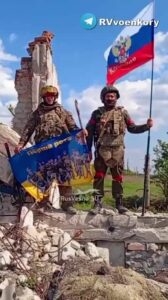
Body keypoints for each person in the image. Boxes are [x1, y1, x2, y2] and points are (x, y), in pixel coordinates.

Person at [86, 85, 153, 214]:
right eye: (108, 96)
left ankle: (119, 203)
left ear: (116, 98)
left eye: (113, 96)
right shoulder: (96, 114)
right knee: (99, 177)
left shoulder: (123, 113)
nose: (110, 98)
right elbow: (89, 132)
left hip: (118, 151)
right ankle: (97, 203)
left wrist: (146, 126)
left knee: (118, 177)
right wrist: (88, 151)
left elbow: (132, 128)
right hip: (101, 150)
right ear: (103, 98)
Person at [14, 85, 80, 214]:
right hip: (43, 150)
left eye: (52, 96)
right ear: (44, 97)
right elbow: (28, 129)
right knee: (44, 178)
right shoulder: (37, 113)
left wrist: (80, 132)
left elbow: (73, 128)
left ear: (55, 97)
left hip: (61, 150)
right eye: (47, 96)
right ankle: (43, 204)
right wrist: (21, 144)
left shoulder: (63, 112)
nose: (50, 98)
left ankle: (67, 204)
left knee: (64, 177)